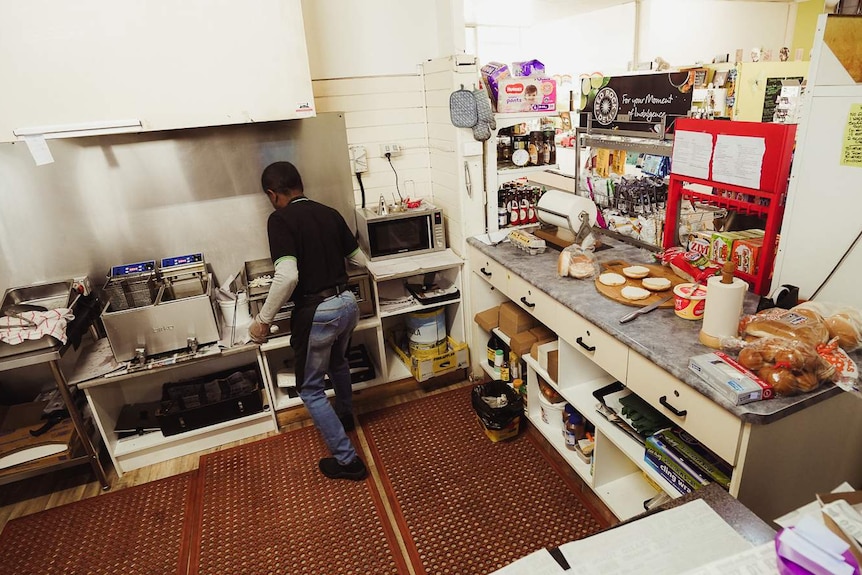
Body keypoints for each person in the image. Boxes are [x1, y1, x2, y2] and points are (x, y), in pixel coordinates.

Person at [249, 161, 369, 481]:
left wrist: (262, 320)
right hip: (347, 303)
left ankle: (347, 461)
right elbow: (358, 258)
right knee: (339, 364)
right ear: (300, 185)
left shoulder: (280, 220)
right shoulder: (329, 212)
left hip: (319, 311)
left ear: (273, 194)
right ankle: (346, 416)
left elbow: (287, 276)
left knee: (311, 389)